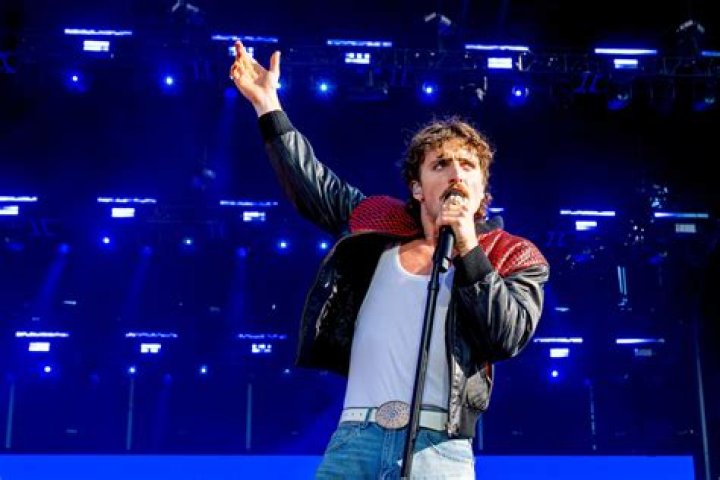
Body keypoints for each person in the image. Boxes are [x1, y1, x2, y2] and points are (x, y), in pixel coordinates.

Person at [230, 41, 549, 479]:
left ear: (482, 192)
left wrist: (468, 247)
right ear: (417, 187)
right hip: (354, 439)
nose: (456, 173)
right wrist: (268, 105)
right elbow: (315, 185)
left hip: (438, 447)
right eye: (441, 164)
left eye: (467, 166)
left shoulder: (511, 254)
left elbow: (506, 336)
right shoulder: (379, 226)